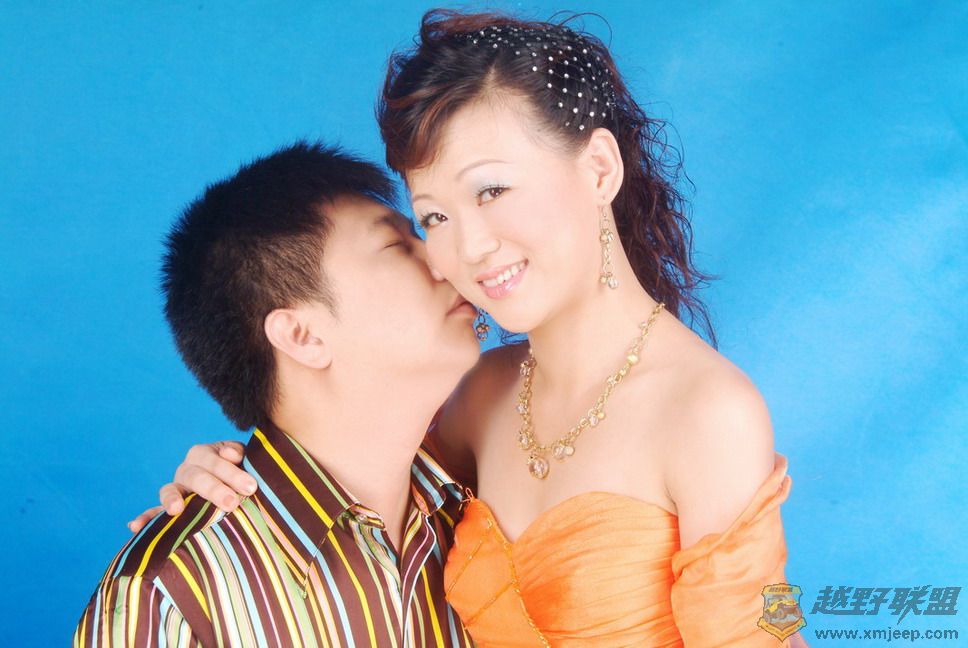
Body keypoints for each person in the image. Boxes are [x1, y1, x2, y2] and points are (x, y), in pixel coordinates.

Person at [133, 11, 809, 647]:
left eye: (491, 190)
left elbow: (768, 624)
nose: (467, 249)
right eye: (435, 218)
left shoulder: (710, 410)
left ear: (599, 168)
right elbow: (343, 483)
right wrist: (234, 479)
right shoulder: (477, 396)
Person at [75, 142, 480, 647]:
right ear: (301, 336)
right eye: (397, 246)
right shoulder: (170, 593)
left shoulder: (478, 510)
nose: (445, 257)